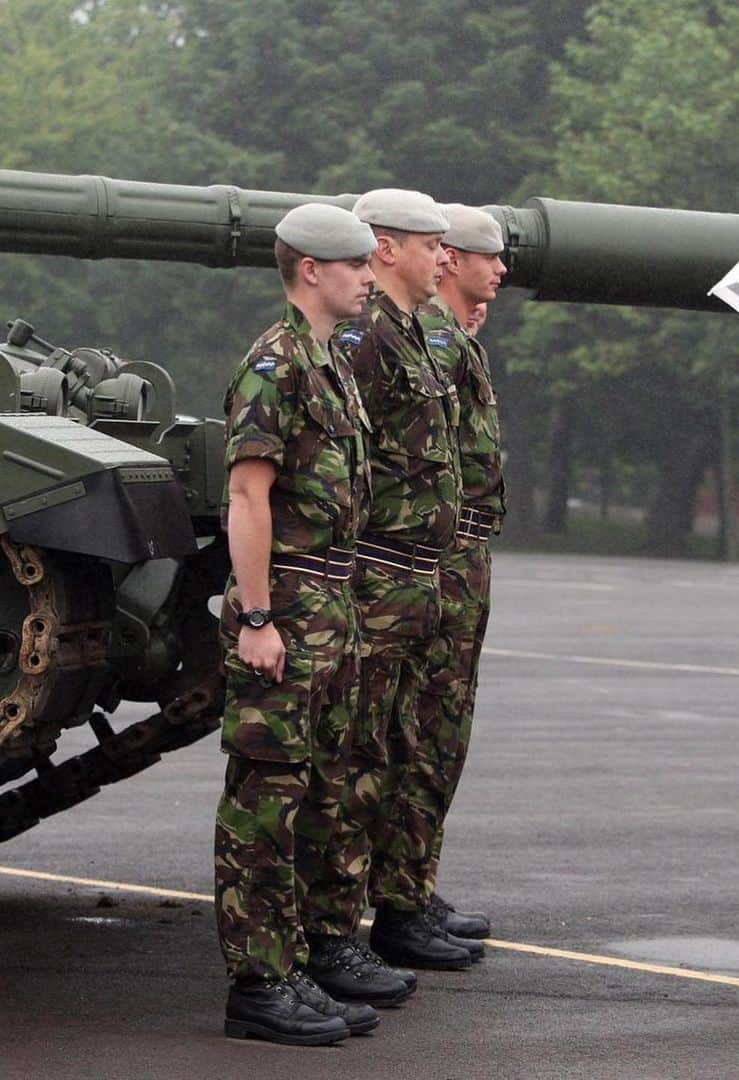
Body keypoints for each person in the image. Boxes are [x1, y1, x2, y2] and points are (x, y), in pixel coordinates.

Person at [214, 202, 387, 1045]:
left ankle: (293, 967)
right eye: (356, 264)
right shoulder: (275, 365)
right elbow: (247, 495)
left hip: (334, 604)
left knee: (318, 794)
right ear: (311, 270)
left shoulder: (331, 364)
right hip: (287, 602)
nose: (368, 277)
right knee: (266, 797)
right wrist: (256, 616)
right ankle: (256, 983)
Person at [329, 189, 482, 972]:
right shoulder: (366, 338)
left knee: (408, 742)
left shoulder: (413, 334)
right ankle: (336, 932)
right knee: (358, 757)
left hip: (419, 573)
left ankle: (395, 903)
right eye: (431, 246)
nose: (443, 259)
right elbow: (341, 464)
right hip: (378, 575)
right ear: (388, 247)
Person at [386, 205, 508, 940]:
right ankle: (400, 898)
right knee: (423, 729)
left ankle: (413, 883)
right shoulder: (432, 335)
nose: (498, 271)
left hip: (462, 552)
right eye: (485, 257)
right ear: (453, 261)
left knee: (441, 729)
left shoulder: (452, 339)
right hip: (442, 553)